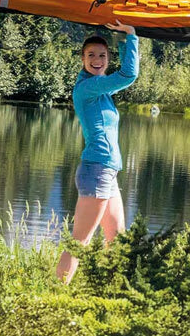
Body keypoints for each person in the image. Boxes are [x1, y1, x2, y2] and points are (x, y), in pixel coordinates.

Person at [56, 20, 139, 283]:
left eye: (102, 55)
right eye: (90, 55)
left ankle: (108, 291)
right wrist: (131, 36)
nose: (96, 60)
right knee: (80, 241)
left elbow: (121, 77)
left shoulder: (101, 90)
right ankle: (55, 292)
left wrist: (123, 40)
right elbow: (128, 75)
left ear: (108, 59)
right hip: (97, 171)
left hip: (106, 172)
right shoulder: (88, 88)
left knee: (116, 237)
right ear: (82, 59)